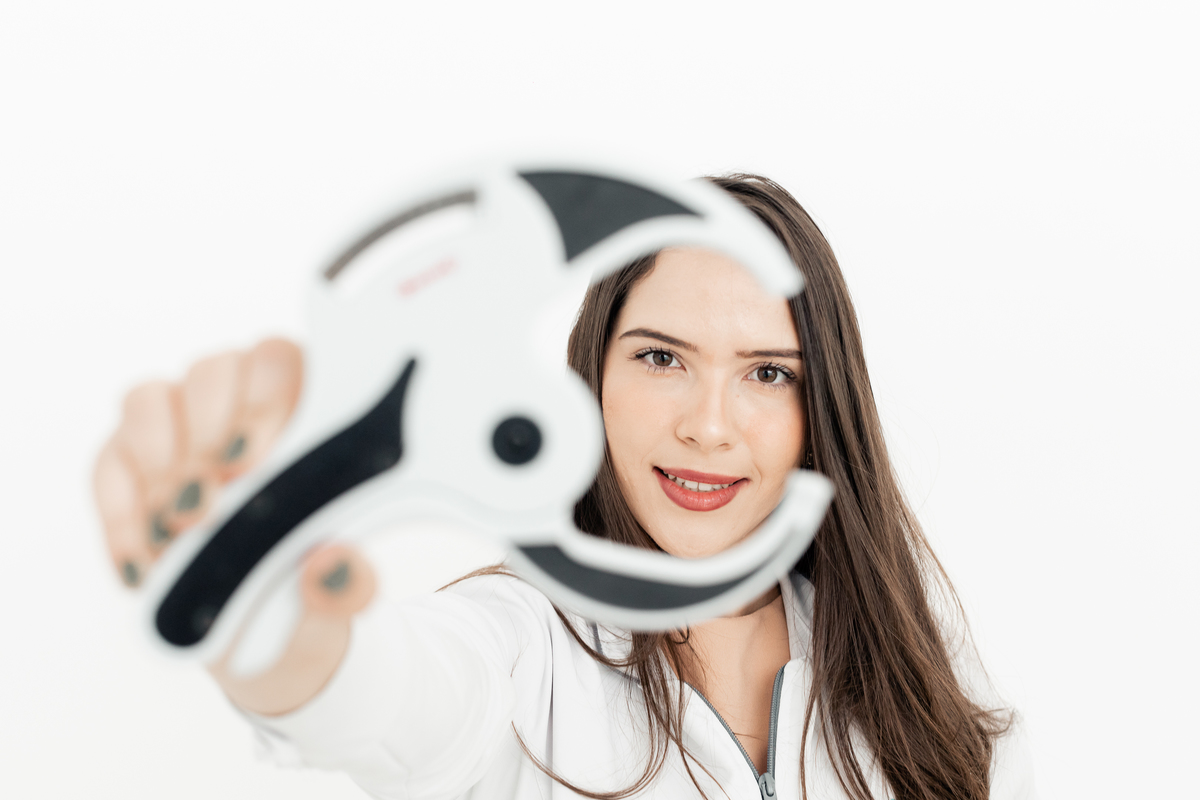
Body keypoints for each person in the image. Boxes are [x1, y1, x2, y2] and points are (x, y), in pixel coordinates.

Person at [93, 174, 1035, 799]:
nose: (709, 425)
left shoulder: (919, 675)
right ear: (591, 377)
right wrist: (275, 623)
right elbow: (388, 694)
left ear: (823, 405)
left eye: (767, 373)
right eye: (661, 357)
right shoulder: (519, 645)